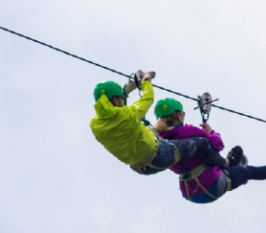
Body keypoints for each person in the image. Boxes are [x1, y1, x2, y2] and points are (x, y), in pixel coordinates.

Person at [153, 97, 266, 204]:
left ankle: (231, 166)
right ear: (179, 115)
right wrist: (210, 131)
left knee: (206, 160)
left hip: (189, 191)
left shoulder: (159, 141)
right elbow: (218, 144)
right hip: (209, 186)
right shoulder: (187, 131)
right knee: (248, 171)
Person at [90, 72, 228, 175]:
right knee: (202, 143)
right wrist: (146, 81)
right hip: (158, 155)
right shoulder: (129, 115)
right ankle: (225, 164)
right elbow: (148, 98)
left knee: (150, 135)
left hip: (141, 168)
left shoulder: (95, 125)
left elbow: (116, 113)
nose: (122, 100)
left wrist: (128, 89)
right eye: (120, 98)